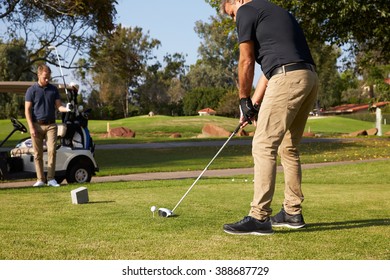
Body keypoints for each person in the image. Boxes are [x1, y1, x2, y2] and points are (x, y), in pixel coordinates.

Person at [220, 0, 319, 235]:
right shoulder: (276, 12)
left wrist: (242, 98)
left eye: (231, 13)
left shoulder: (246, 10)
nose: (235, 19)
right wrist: (252, 105)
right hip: (308, 77)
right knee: (289, 147)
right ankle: (292, 213)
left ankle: (259, 217)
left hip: (287, 77)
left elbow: (246, 60)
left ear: (238, 2)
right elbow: (269, 70)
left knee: (263, 144)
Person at [25, 64, 72, 187]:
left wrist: (66, 109)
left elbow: (59, 106)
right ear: (38, 75)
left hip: (51, 125)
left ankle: (51, 179)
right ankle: (40, 179)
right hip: (36, 125)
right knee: (38, 154)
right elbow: (27, 110)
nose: (47, 79)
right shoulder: (31, 90)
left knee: (52, 151)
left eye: (49, 77)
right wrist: (31, 127)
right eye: (45, 77)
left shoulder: (53, 89)